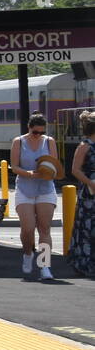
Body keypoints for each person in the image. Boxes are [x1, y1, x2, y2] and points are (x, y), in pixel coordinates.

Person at [11, 113, 59, 281]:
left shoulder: (49, 141)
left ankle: (45, 266)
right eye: (35, 132)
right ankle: (27, 253)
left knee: (44, 229)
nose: (38, 135)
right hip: (25, 187)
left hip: (45, 187)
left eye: (41, 132)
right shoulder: (18, 142)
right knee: (28, 228)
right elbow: (14, 166)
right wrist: (28, 173)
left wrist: (47, 171)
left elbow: (55, 165)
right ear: (29, 128)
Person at [67, 111, 95, 277]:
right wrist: (90, 182)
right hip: (90, 192)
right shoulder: (84, 146)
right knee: (87, 227)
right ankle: (84, 263)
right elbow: (75, 170)